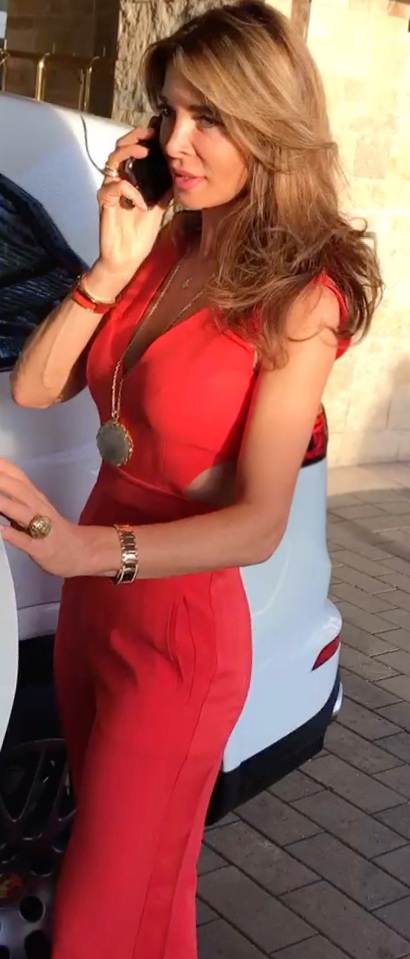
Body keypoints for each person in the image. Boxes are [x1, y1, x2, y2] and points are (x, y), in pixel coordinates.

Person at [0, 2, 382, 957]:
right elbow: (39, 386)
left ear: (271, 126)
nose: (176, 141)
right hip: (92, 616)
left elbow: (258, 523)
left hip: (175, 641)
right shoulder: (164, 242)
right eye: (169, 112)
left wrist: (81, 546)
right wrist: (109, 264)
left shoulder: (302, 298)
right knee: (149, 903)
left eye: (209, 117)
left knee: (95, 922)